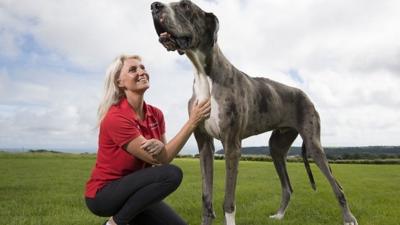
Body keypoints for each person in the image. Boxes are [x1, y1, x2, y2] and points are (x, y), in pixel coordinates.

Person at [85, 54, 211, 225]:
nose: (141, 72)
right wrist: (192, 122)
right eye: (132, 69)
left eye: (142, 67)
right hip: (104, 195)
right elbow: (163, 160)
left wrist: (160, 149)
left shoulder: (155, 114)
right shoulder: (116, 117)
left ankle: (127, 218)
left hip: (137, 192)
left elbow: (162, 160)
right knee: (173, 174)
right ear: (119, 82)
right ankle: (115, 223)